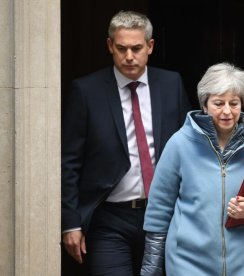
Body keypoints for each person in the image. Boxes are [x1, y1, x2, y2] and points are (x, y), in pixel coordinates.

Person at [61, 10, 191, 275]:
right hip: (108, 219)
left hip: (163, 215)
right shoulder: (86, 91)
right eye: (121, 48)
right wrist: (70, 223)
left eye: (136, 48)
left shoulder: (171, 84)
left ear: (150, 46)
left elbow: (190, 149)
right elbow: (69, 162)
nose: (129, 56)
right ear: (110, 46)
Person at [140, 62, 244, 275]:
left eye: (234, 103)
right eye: (218, 103)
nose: (227, 112)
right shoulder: (179, 144)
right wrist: (150, 271)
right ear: (204, 105)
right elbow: (158, 213)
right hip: (187, 265)